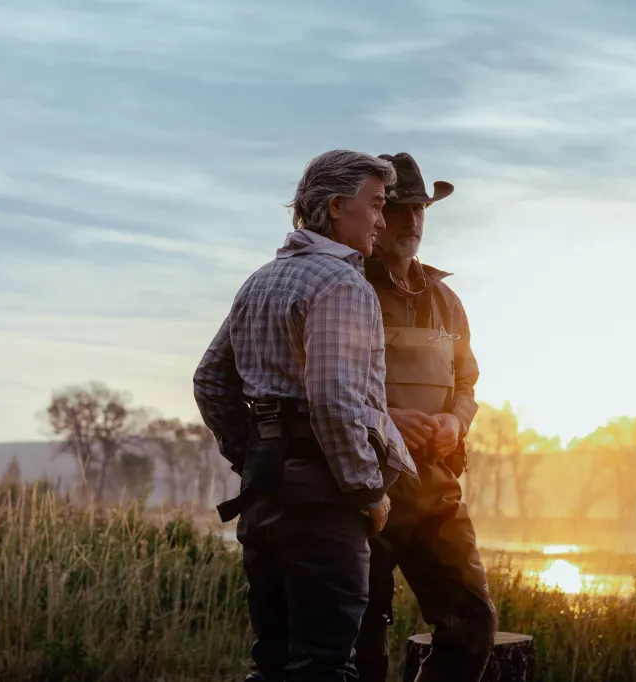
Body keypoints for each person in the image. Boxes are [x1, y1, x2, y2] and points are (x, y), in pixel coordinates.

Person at [193, 149, 417, 682]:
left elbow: (209, 380)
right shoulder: (342, 284)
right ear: (338, 207)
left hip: (266, 500)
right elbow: (334, 400)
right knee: (324, 668)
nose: (383, 220)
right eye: (377, 205)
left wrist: (256, 456)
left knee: (271, 664)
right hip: (323, 506)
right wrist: (367, 489)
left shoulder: (262, 279)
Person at [353, 152, 496, 682]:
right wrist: (388, 417)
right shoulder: (348, 289)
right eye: (400, 209)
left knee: (471, 626)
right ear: (375, 213)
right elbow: (321, 384)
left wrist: (456, 422)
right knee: (361, 641)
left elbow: (467, 382)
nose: (412, 222)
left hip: (437, 488)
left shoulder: (446, 300)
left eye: (420, 211)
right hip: (367, 487)